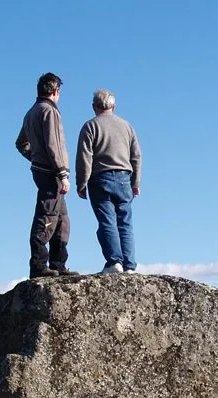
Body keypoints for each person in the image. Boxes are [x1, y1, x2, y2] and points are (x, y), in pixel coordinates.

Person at [16, 72, 79, 279]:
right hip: (51, 173)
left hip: (42, 170)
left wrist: (34, 157)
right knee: (48, 217)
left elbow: (21, 143)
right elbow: (55, 145)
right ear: (55, 91)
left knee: (62, 219)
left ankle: (58, 264)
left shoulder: (31, 112)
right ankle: (39, 265)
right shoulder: (49, 112)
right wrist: (62, 174)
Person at [75, 89, 142, 274]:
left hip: (100, 178)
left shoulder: (90, 127)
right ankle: (129, 266)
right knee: (125, 222)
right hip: (124, 178)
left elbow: (84, 158)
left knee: (107, 221)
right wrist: (136, 182)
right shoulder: (127, 126)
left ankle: (114, 262)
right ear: (114, 106)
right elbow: (136, 156)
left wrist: (81, 183)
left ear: (94, 106)